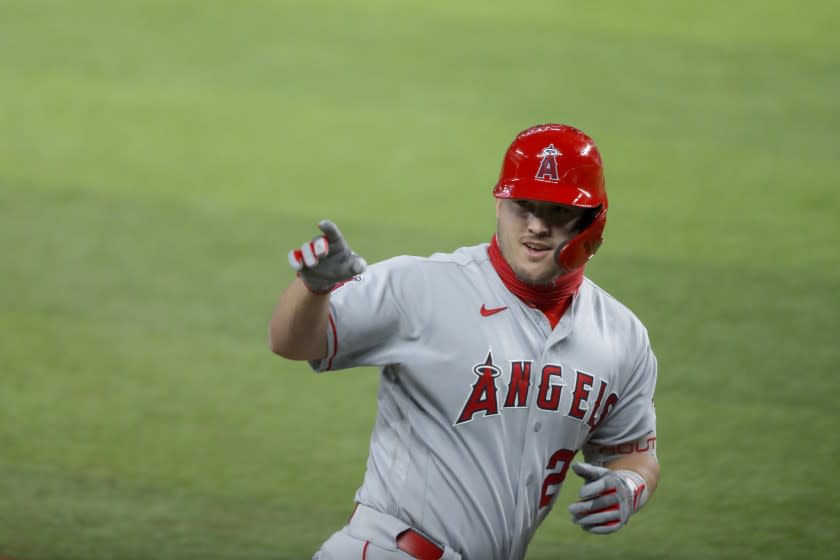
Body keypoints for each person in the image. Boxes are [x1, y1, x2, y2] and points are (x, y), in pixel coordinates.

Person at [269, 124, 660, 560]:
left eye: (556, 212)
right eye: (522, 207)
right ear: (499, 203)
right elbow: (293, 343)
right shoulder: (422, 286)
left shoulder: (622, 337)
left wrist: (629, 486)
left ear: (593, 221)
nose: (535, 226)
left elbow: (632, 454)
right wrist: (314, 289)